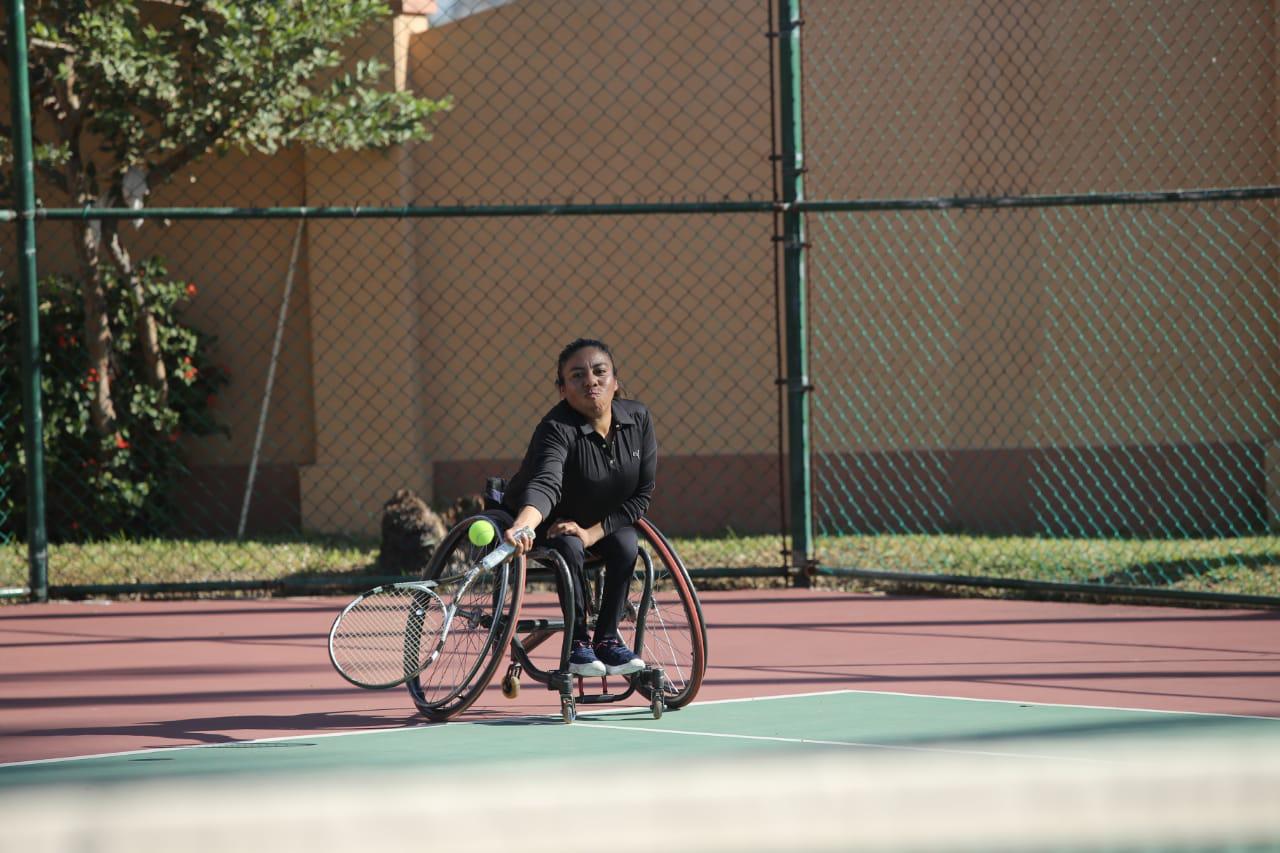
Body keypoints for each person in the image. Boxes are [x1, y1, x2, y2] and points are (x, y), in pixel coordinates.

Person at [501, 338, 657, 677]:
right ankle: (577, 644)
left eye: (600, 372)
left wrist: (591, 533)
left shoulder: (639, 419)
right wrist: (524, 524)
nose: (591, 380)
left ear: (615, 381)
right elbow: (546, 484)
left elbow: (641, 496)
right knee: (569, 543)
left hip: (595, 525)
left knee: (627, 543)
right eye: (577, 375)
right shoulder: (555, 429)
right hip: (547, 522)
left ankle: (607, 640)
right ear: (562, 389)